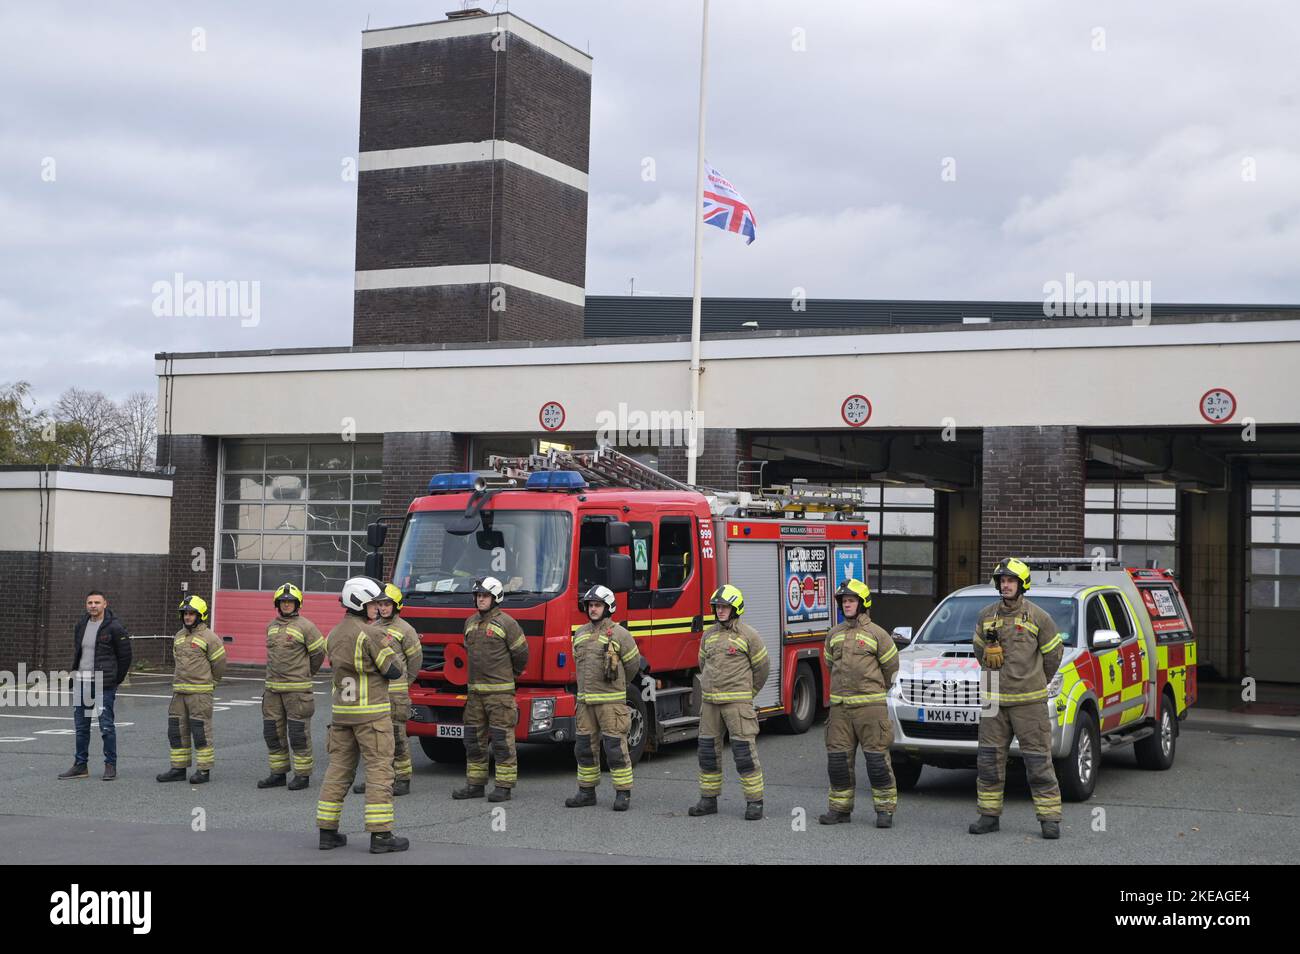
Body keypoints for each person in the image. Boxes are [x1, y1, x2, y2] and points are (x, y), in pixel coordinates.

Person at [970, 558, 1065, 840]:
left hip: (1029, 701)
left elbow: (1053, 656)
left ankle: (1049, 819)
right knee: (988, 760)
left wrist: (1037, 680)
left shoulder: (1038, 617)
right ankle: (989, 816)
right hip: (993, 701)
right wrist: (990, 668)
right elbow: (978, 650)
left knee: (1038, 761)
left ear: (1022, 584)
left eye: (1011, 581)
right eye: (1002, 580)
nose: (1005, 585)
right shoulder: (986, 615)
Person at [317, 576, 409, 853]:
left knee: (337, 772)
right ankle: (381, 837)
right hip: (372, 718)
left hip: (342, 717)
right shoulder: (372, 634)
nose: (377, 609)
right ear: (358, 602)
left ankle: (327, 832)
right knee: (380, 773)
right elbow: (394, 670)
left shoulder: (332, 634)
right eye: (372, 603)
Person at [818, 579, 900, 827]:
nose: (847, 605)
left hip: (870, 709)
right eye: (844, 601)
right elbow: (830, 664)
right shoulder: (834, 634)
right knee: (838, 761)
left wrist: (874, 692)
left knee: (876, 762)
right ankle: (840, 810)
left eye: (851, 600)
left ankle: (885, 811)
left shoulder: (878, 634)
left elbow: (891, 669)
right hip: (840, 709)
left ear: (863, 604)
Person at [689, 584, 770, 821]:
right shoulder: (709, 635)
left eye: (725, 607)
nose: (720, 611)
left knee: (744, 753)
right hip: (711, 704)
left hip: (737, 704)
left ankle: (754, 802)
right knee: (707, 752)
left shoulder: (748, 635)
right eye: (717, 607)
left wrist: (748, 693)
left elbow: (762, 669)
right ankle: (708, 799)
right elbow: (702, 664)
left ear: (736, 608)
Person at [564, 585, 641, 811]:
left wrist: (618, 687)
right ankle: (586, 791)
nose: (593, 609)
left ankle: (623, 793)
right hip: (585, 703)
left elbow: (633, 665)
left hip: (610, 703)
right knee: (584, 748)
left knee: (615, 748)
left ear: (608, 608)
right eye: (590, 605)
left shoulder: (620, 634)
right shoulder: (580, 633)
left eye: (598, 605)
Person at [451, 577, 529, 802]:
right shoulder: (470, 623)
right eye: (477, 596)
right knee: (473, 741)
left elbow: (521, 654)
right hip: (475, 695)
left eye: (484, 596)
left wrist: (510, 676)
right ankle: (475, 785)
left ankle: (504, 787)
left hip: (500, 696)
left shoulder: (507, 623)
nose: (480, 599)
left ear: (495, 598)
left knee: (502, 741)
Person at [354, 582, 422, 797]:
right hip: (376, 693)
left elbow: (415, 659)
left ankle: (402, 779)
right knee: (374, 739)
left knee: (397, 736)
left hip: (397, 694)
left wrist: (406, 682)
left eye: (387, 604)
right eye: (380, 604)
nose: (383, 608)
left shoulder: (405, 629)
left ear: (396, 605)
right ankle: (377, 779)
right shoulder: (371, 628)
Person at [258, 582, 325, 791]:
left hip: (297, 691)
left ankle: (302, 776)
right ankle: (278, 773)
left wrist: (305, 675)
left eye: (290, 601)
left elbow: (318, 655)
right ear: (277, 604)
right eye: (283, 601)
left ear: (298, 604)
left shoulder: (307, 627)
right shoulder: (271, 626)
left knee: (298, 733)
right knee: (272, 732)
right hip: (272, 691)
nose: (286, 605)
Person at [59, 590, 131, 781]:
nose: (93, 606)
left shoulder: (115, 627)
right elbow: (79, 652)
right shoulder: (81, 624)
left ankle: (110, 765)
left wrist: (115, 680)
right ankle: (80, 765)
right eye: (90, 602)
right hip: (81, 682)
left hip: (103, 684)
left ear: (105, 604)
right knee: (81, 727)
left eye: (97, 602)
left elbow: (125, 656)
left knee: (106, 726)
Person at [156, 595, 226, 784]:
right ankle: (178, 769)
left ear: (200, 615)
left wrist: (210, 683)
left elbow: (219, 664)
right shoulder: (179, 636)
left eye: (191, 614)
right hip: (179, 692)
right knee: (176, 731)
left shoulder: (210, 638)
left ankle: (203, 771)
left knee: (200, 732)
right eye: (185, 614)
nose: (187, 617)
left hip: (200, 693)